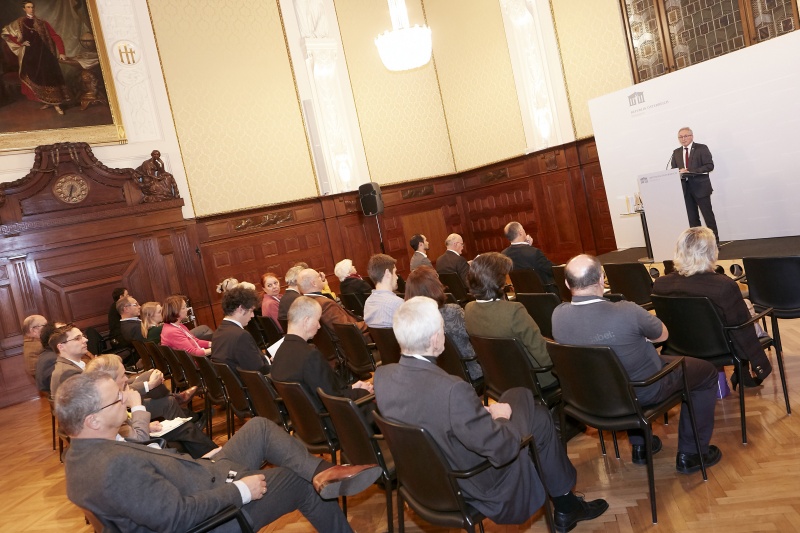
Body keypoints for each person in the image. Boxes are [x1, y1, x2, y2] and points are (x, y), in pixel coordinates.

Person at [374, 297, 608, 529]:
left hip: (426, 481)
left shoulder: (383, 378)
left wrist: (474, 413)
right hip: (475, 481)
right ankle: (566, 505)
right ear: (435, 338)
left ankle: (567, 505)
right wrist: (501, 416)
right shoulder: (453, 391)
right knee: (537, 416)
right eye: (442, 329)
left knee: (518, 395)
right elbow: (502, 450)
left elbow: (426, 415)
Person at [56, 372, 382, 533]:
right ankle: (317, 478)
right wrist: (241, 490)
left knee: (258, 427)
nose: (125, 400)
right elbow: (177, 517)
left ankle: (324, 473)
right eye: (116, 399)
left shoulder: (82, 454)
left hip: (203, 476)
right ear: (92, 420)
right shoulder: (112, 467)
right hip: (214, 517)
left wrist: (208, 462)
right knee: (296, 481)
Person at [552, 254, 721, 473]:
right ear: (602, 279)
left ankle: (641, 446)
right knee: (706, 373)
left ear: (567, 284)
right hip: (645, 389)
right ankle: (692, 454)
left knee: (623, 372)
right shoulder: (627, 311)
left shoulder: (558, 316)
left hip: (593, 396)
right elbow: (662, 335)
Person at [652, 227, 772, 386]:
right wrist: (759, 363)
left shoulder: (661, 284)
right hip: (722, 348)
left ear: (679, 251)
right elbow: (740, 327)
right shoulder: (723, 285)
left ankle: (741, 373)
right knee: (749, 314)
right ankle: (743, 374)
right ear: (711, 252)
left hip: (679, 347)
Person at [85, 354, 217, 459]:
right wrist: (136, 406)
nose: (126, 379)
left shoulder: (105, 400)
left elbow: (125, 431)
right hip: (136, 454)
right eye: (123, 375)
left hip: (135, 440)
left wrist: (147, 426)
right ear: (110, 381)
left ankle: (212, 461)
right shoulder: (107, 407)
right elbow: (139, 442)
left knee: (184, 428)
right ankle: (214, 461)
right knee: (186, 431)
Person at [464, 253, 556, 388]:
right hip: (534, 380)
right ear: (499, 283)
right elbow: (545, 358)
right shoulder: (514, 311)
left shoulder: (468, 309)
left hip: (499, 379)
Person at [272, 296, 372, 412]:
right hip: (333, 417)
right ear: (306, 321)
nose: (319, 326)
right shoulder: (310, 356)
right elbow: (333, 400)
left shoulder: (279, 353)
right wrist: (362, 392)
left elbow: (323, 390)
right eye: (317, 320)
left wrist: (352, 387)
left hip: (307, 417)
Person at [405, 266, 483, 380]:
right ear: (435, 287)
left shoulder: (411, 319)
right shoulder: (452, 311)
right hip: (468, 371)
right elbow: (475, 337)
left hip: (435, 375)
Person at [1, 2, 69, 115]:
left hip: (46, 55)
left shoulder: (42, 23)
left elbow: (55, 36)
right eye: (28, 7)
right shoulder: (19, 22)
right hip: (31, 57)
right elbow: (6, 33)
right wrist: (21, 42)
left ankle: (57, 105)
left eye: (32, 7)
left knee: (50, 78)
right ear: (24, 9)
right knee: (39, 79)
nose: (31, 9)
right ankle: (48, 101)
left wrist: (62, 52)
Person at [671, 127, 719, 241]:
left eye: (685, 136)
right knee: (692, 219)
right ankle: (697, 244)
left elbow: (709, 166)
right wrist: (678, 172)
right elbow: (673, 169)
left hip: (701, 188)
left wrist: (690, 170)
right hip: (685, 189)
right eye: (680, 137)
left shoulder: (701, 148)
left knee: (708, 217)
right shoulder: (676, 152)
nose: (683, 139)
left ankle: (714, 242)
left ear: (691, 136)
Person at [296, 268, 369, 343]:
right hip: (354, 341)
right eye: (319, 276)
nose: (322, 279)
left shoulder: (304, 303)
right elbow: (347, 329)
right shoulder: (325, 304)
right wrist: (369, 323)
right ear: (314, 283)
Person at [211, 286, 271, 374]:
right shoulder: (241, 335)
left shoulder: (218, 332)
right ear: (240, 309)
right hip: (250, 381)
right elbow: (258, 369)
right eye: (251, 311)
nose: (252, 315)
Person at [501, 221, 556, 291]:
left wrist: (528, 246)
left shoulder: (503, 254)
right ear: (520, 232)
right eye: (523, 229)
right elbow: (551, 270)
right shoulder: (534, 252)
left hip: (520, 293)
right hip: (542, 292)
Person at [362, 254, 403, 328]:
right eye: (395, 272)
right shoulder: (398, 303)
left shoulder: (368, 303)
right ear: (387, 273)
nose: (397, 277)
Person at [21, 314, 47, 379]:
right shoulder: (40, 345)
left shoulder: (30, 342)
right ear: (34, 330)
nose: (48, 328)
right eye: (45, 326)